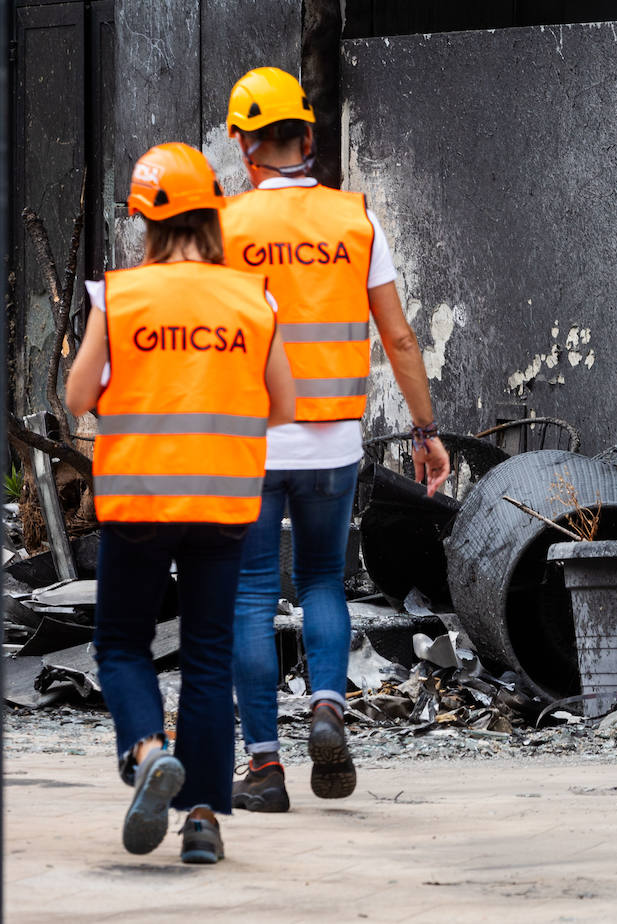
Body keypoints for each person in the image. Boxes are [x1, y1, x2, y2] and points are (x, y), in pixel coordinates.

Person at [221, 66, 450, 812]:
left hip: (251, 442)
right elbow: (401, 340)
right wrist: (424, 430)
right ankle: (326, 705)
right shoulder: (357, 220)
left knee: (253, 595)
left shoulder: (226, 227)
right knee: (322, 579)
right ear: (310, 138)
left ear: (242, 145)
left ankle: (264, 768)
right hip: (333, 445)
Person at [66, 142, 296, 863]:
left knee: (122, 644)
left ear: (146, 220)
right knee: (206, 658)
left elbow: (77, 397)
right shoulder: (251, 296)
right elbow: (283, 407)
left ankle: (145, 750)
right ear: (211, 211)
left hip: (137, 501)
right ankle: (202, 821)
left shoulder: (122, 294)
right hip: (225, 505)